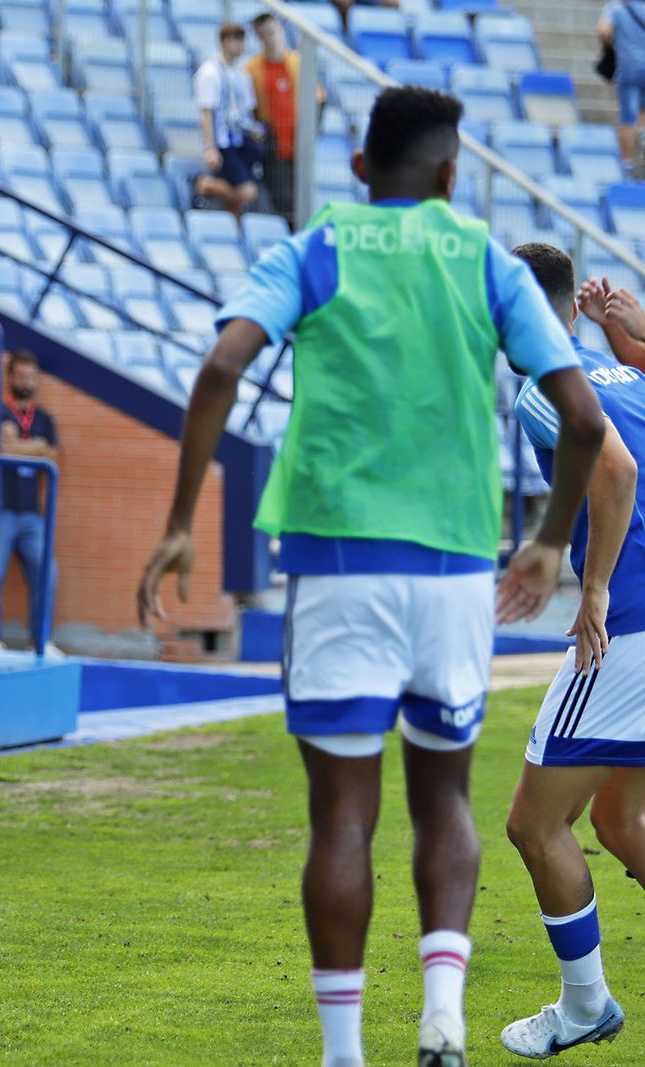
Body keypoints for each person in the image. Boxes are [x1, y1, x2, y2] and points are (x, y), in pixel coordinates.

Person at [136, 87, 606, 1067]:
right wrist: (549, 541)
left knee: (341, 813)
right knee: (446, 800)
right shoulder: (481, 256)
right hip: (450, 573)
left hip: (336, 560)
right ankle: (443, 1010)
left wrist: (182, 520)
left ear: (357, 167)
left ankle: (343, 1051)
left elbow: (223, 365)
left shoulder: (314, 246)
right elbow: (583, 416)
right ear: (448, 174)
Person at [500, 245, 644, 1059]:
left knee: (534, 823)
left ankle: (585, 1005)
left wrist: (589, 590)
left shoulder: (542, 386)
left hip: (629, 627)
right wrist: (633, 340)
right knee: (622, 823)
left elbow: (615, 473)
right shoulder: (623, 371)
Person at [0, 350, 61, 656]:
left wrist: (27, 447)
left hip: (32, 514)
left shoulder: (45, 419)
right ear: (10, 377)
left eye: (31, 376)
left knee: (47, 574)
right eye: (21, 375)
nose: (26, 381)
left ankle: (39, 640)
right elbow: (6, 447)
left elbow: (53, 456)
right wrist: (36, 447)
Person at [245, 12, 320, 224]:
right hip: (273, 145)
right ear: (259, 38)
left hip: (298, 142)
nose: (272, 38)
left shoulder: (298, 63)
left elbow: (318, 100)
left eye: (274, 32)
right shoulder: (252, 69)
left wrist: (310, 133)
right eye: (265, 34)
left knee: (301, 198)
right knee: (283, 202)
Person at [193, 22, 263, 220]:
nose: (242, 46)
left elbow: (246, 111)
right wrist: (210, 147)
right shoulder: (210, 73)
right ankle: (207, 184)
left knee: (239, 198)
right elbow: (206, 112)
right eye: (237, 41)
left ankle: (236, 226)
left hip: (241, 140)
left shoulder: (242, 74)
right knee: (248, 191)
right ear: (225, 42)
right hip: (224, 143)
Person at [600, 0, 645, 171]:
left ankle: (627, 165)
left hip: (628, 66)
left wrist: (610, 47)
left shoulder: (616, 7)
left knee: (627, 118)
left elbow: (603, 30)